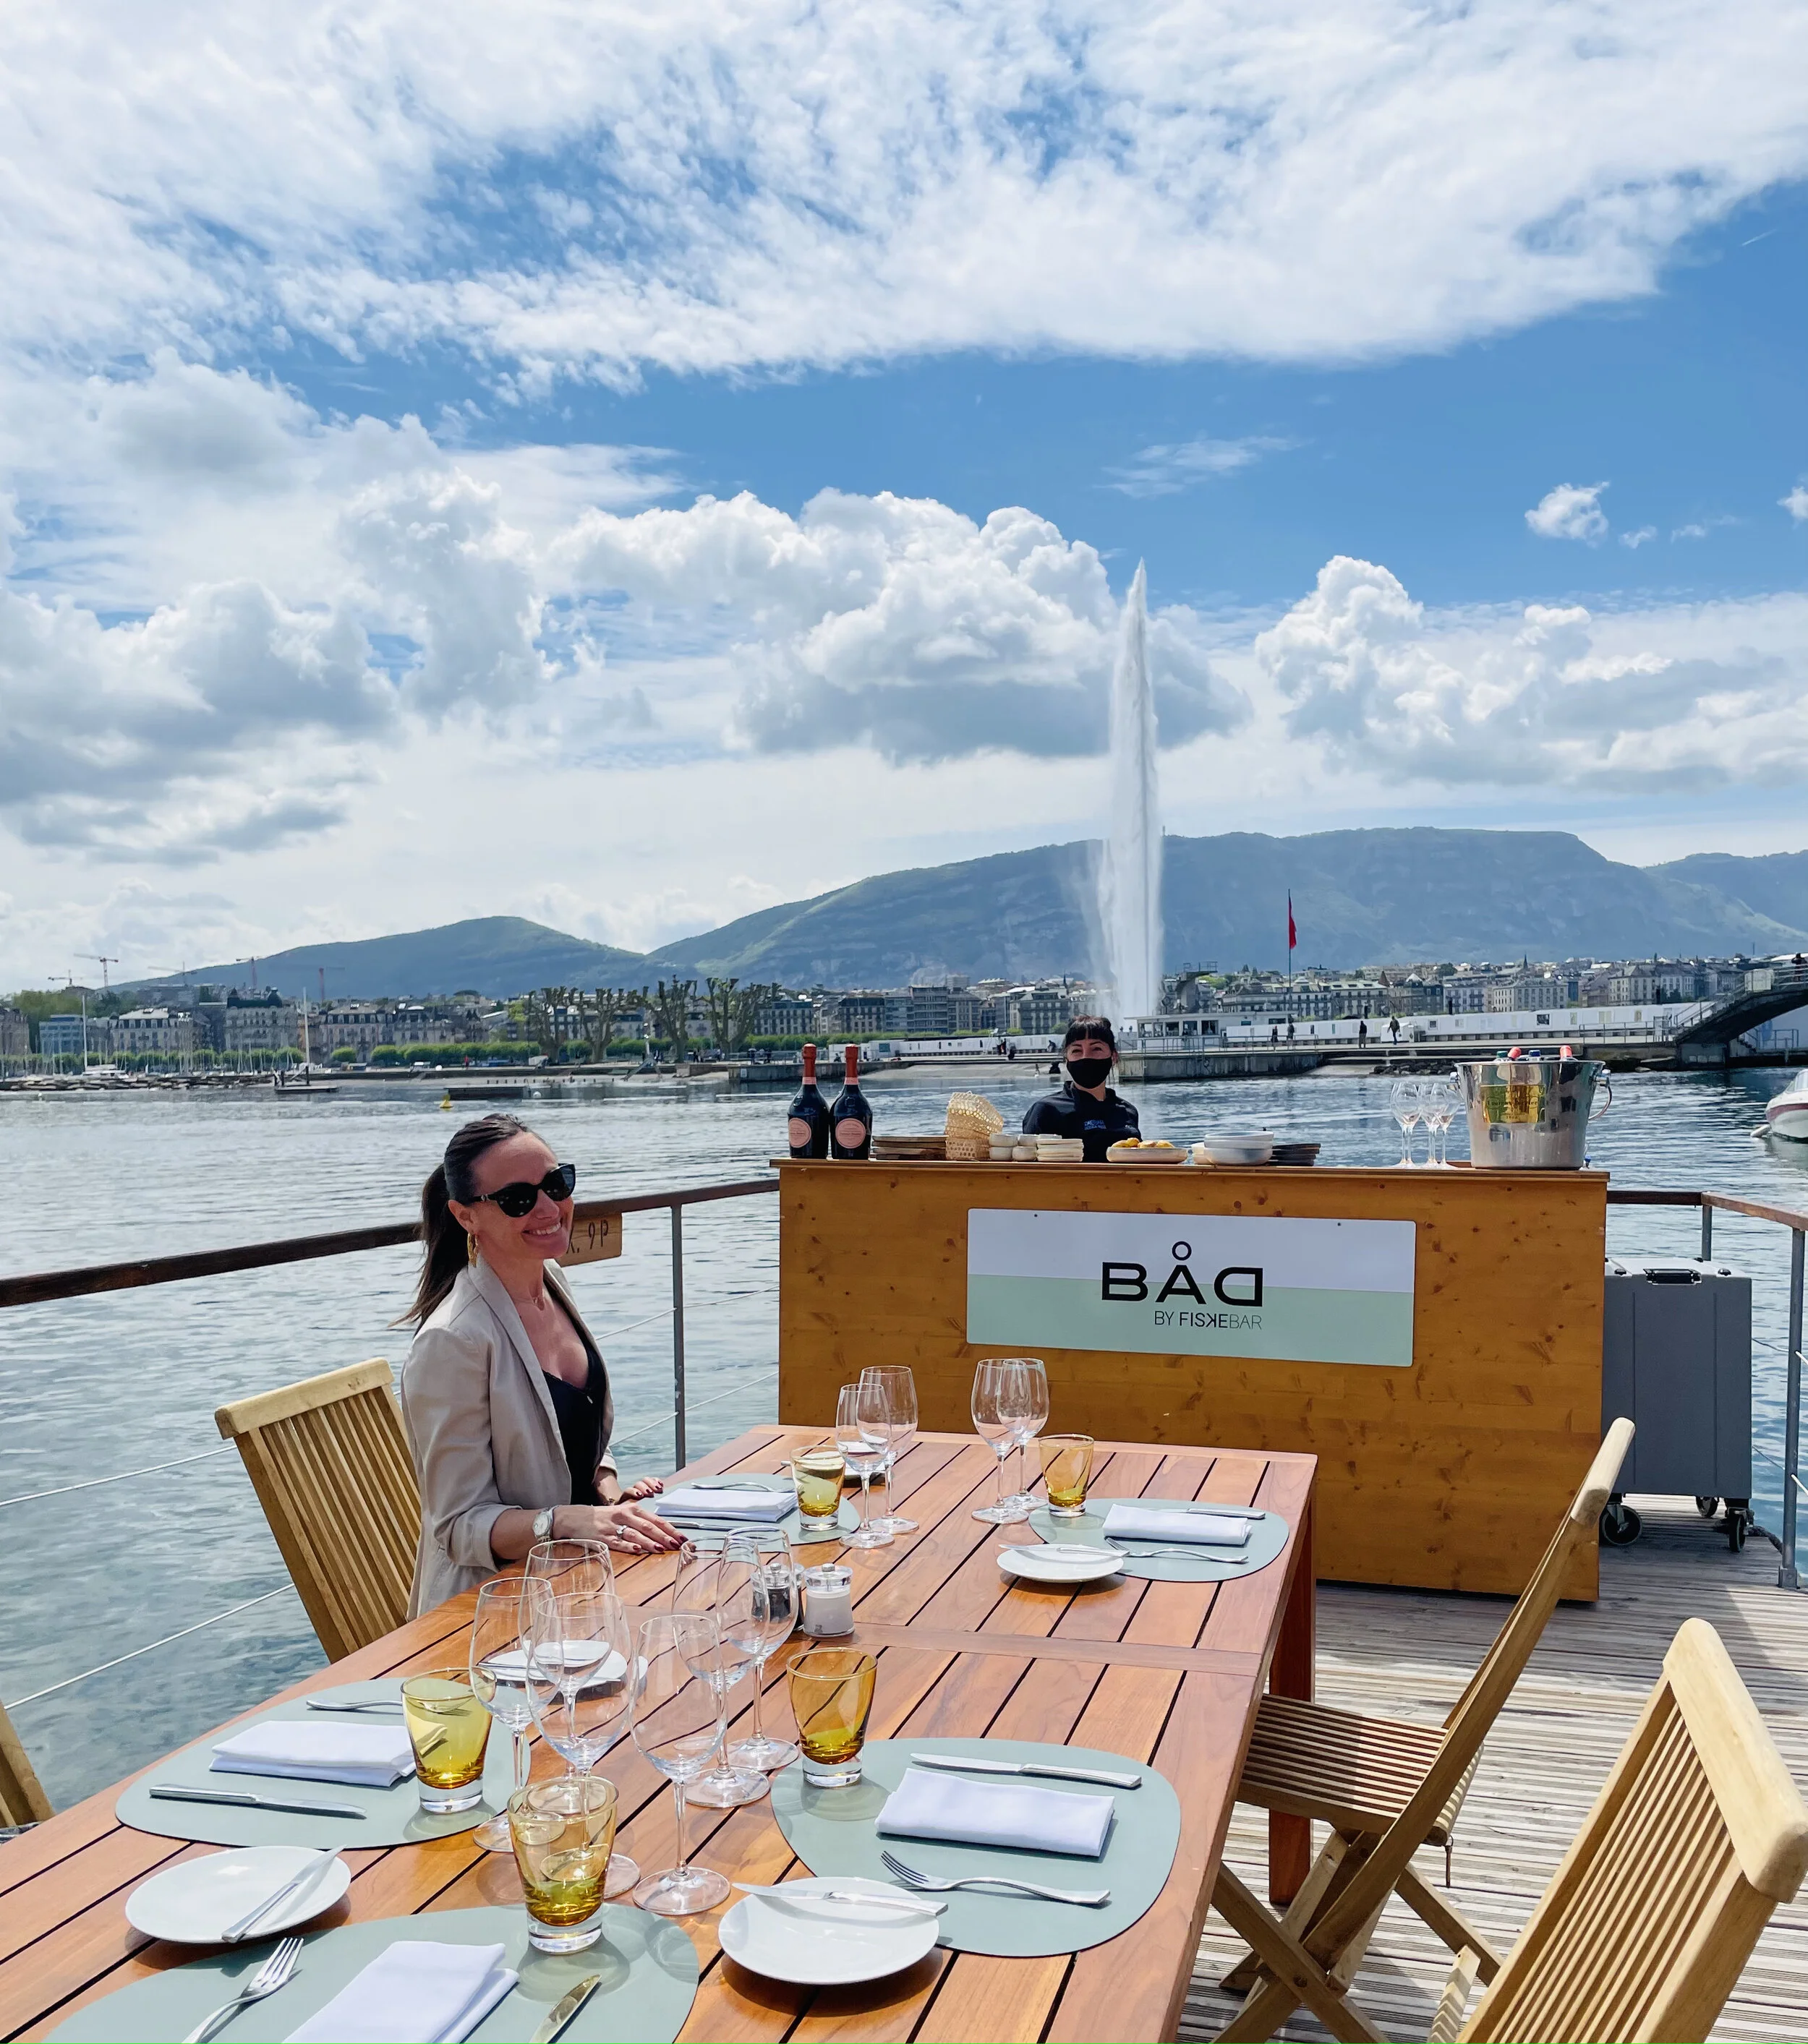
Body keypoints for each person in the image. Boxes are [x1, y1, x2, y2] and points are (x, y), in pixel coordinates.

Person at [399, 1113, 682, 1616]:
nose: (550, 1207)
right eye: (517, 1198)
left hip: (580, 1582)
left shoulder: (550, 1278)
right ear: (466, 1216)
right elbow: (458, 1526)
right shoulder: (452, 1340)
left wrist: (609, 1495)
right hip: (492, 1611)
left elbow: (566, 1433)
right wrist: (567, 1522)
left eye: (556, 1183)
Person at [1020, 1016, 1140, 1161]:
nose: (1086, 1057)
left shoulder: (1128, 1111)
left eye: (1096, 1048)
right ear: (1067, 1059)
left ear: (1113, 1057)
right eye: (1077, 1051)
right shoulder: (1046, 1111)